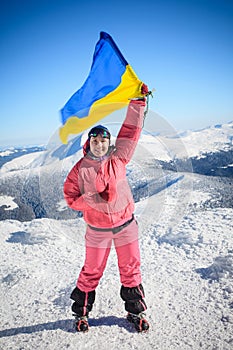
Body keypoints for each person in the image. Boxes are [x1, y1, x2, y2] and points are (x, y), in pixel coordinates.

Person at [64, 84, 150, 333]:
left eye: (103, 140)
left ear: (109, 143)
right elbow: (70, 197)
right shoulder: (80, 169)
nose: (99, 144)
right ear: (88, 142)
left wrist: (138, 101)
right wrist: (93, 198)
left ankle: (136, 312)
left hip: (126, 225)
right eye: (95, 139)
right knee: (91, 271)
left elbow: (131, 131)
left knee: (131, 269)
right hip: (98, 229)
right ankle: (81, 314)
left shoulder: (119, 158)